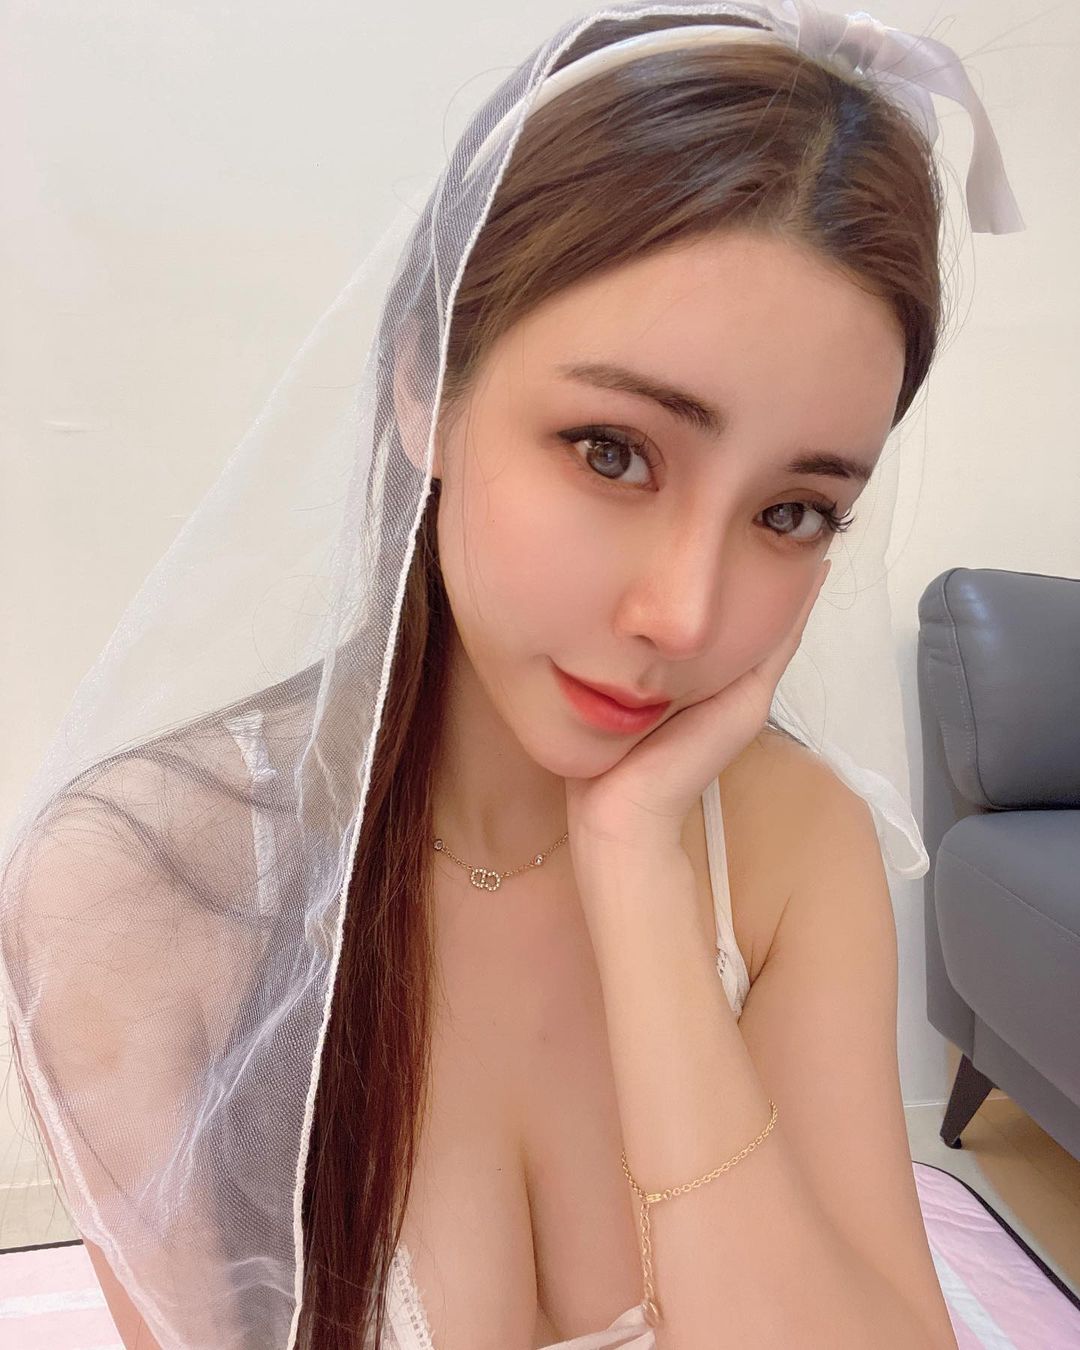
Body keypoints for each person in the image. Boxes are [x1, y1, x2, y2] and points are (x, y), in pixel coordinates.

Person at [0, 3, 1023, 1348]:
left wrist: (638, 873)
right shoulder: (145, 887)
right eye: (613, 451)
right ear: (425, 381)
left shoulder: (789, 848)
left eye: (793, 512)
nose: (684, 613)